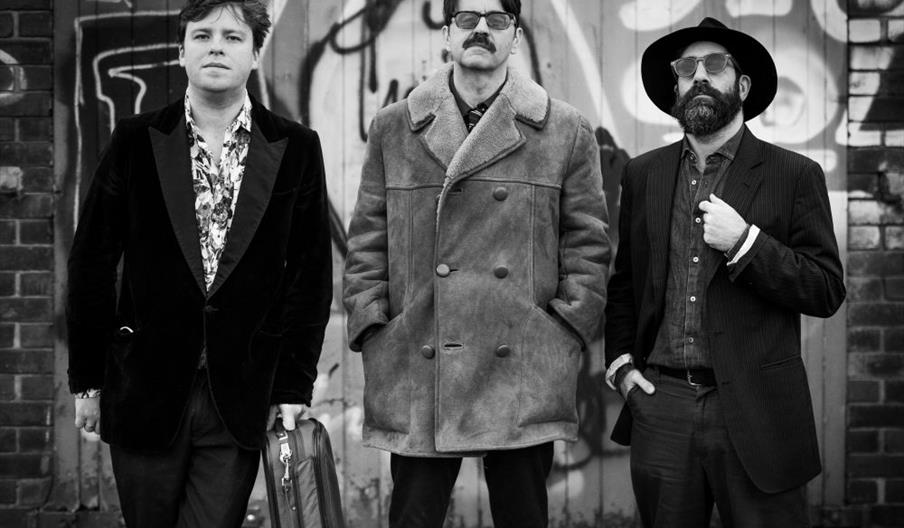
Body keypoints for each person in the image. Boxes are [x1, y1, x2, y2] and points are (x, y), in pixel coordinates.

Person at [342, 1, 610, 526]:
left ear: (516, 35)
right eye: (467, 19)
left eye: (497, 19)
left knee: (522, 517)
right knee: (414, 517)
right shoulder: (396, 128)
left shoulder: (564, 131)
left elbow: (589, 244)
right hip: (420, 357)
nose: (481, 29)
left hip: (523, 363)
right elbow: (367, 239)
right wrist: (374, 321)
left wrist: (563, 326)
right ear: (446, 34)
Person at [66, 1, 332, 526]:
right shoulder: (136, 140)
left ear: (255, 55)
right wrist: (87, 382)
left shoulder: (295, 147)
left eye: (233, 38)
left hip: (239, 393)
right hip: (144, 385)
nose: (216, 46)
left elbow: (310, 275)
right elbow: (92, 261)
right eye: (203, 35)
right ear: (181, 51)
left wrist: (292, 387)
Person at [604, 17, 846, 527]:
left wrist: (746, 243)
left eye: (714, 65)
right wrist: (623, 368)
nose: (698, 76)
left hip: (758, 410)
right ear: (675, 84)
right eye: (686, 67)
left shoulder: (794, 175)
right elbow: (625, 282)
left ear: (741, 85)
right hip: (662, 404)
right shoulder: (643, 174)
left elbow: (825, 289)